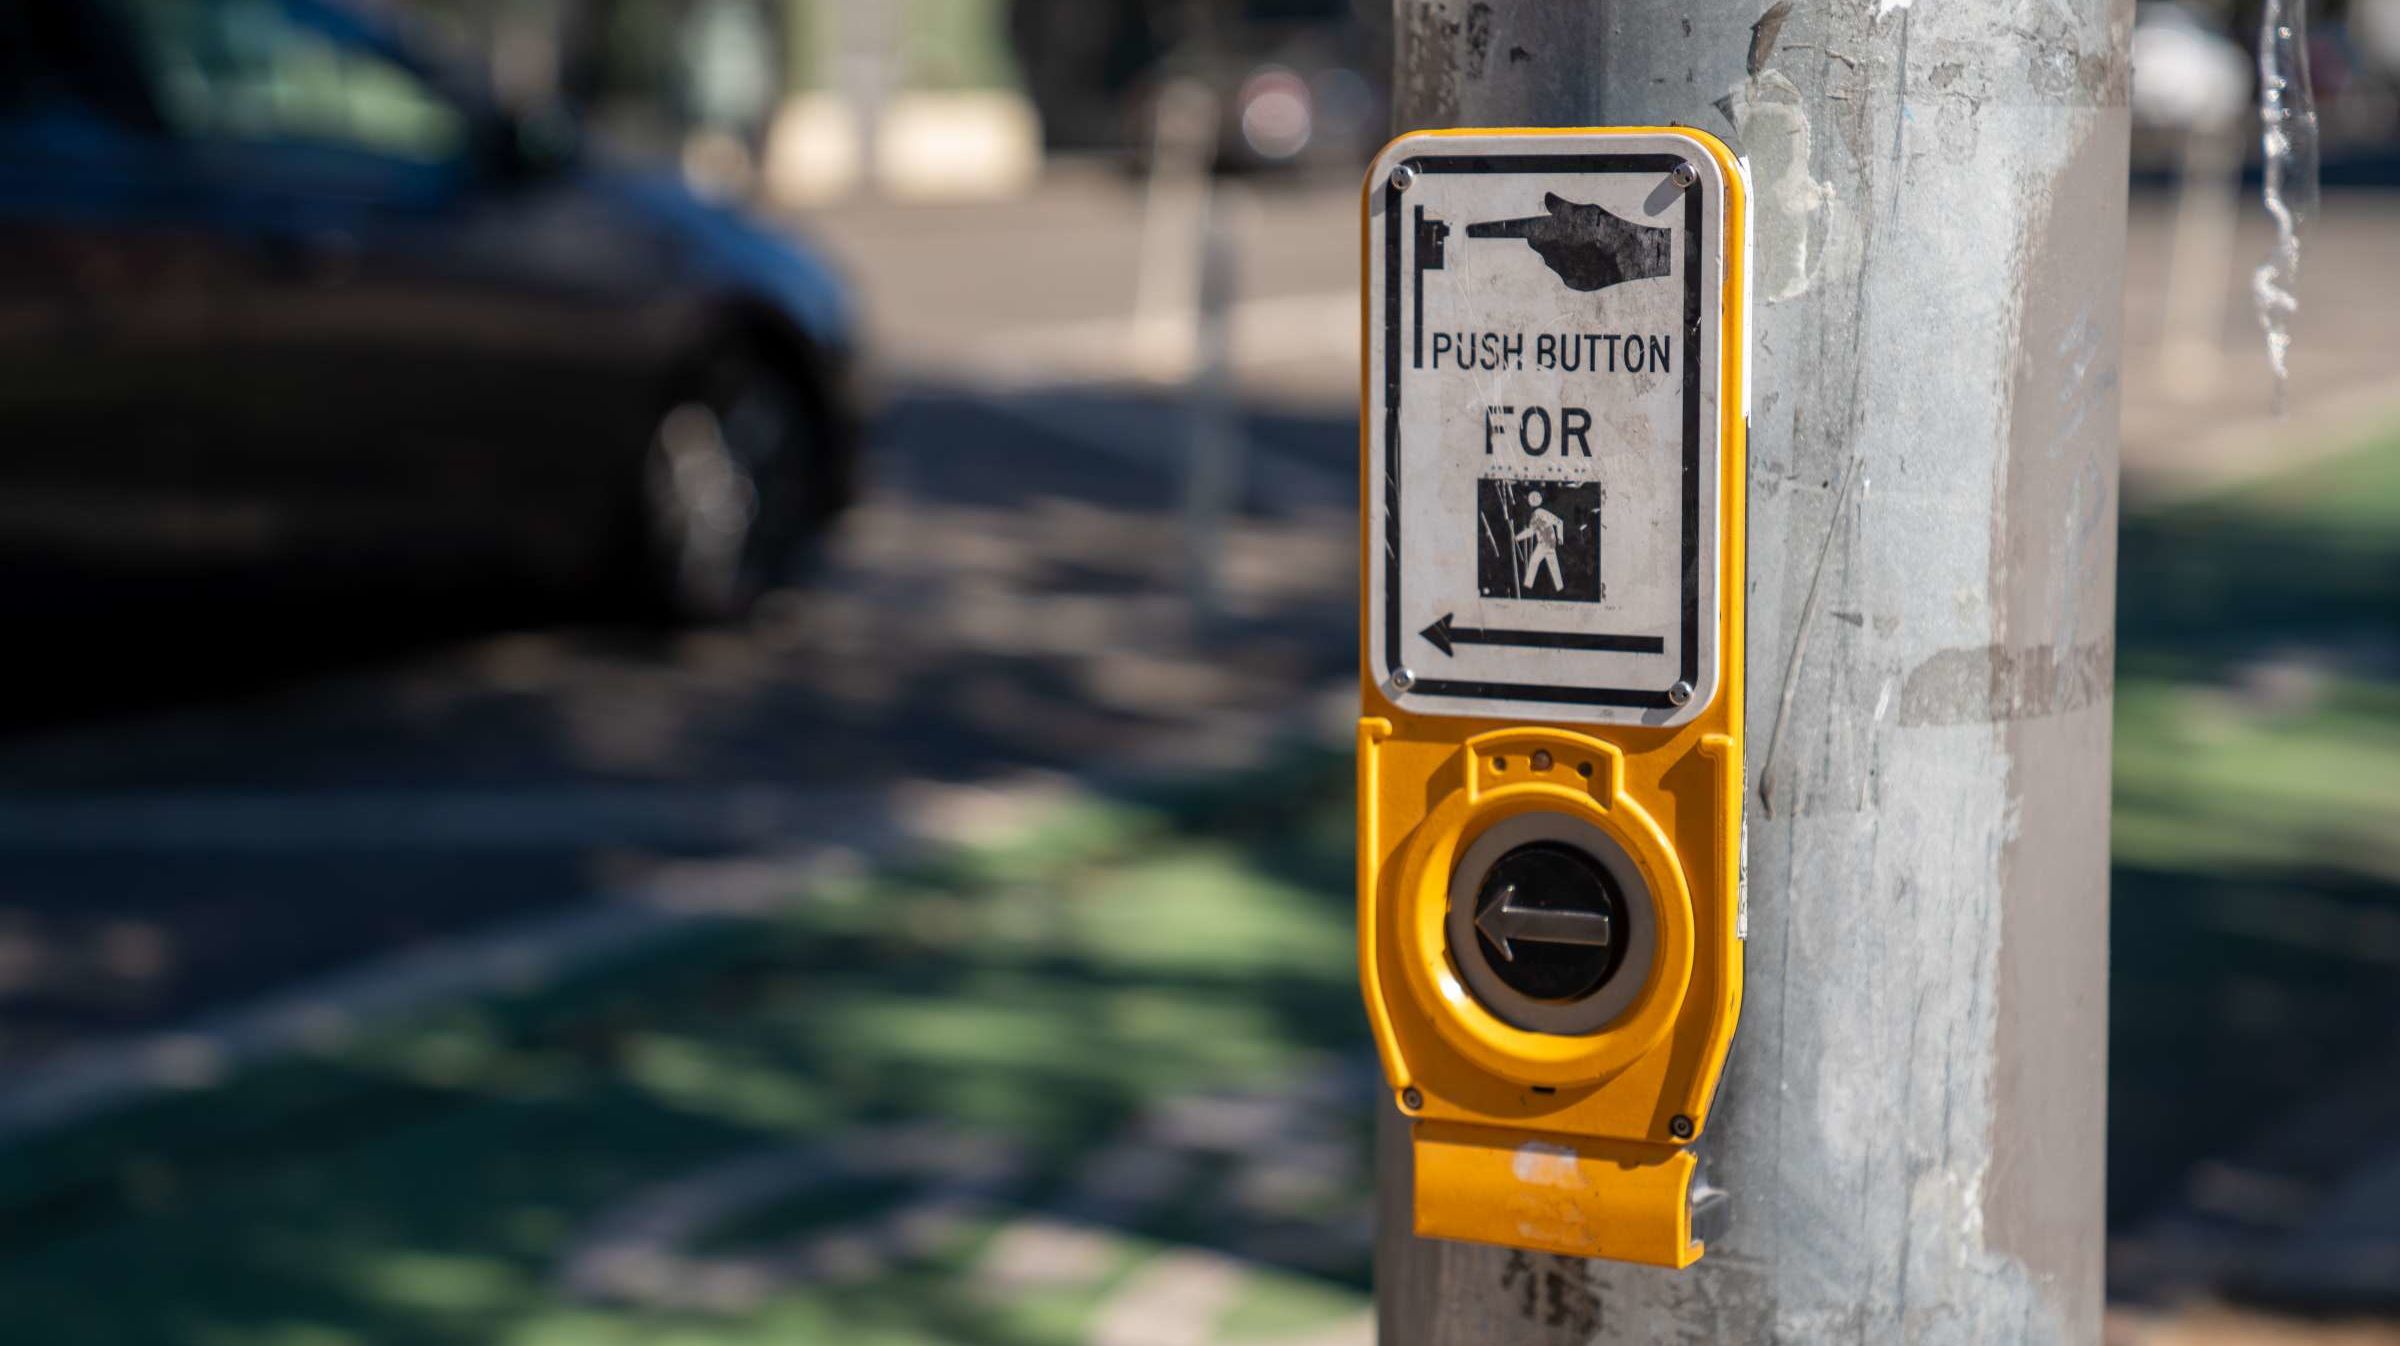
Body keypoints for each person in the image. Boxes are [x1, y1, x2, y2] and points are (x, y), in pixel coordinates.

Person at [1515, 490, 1565, 593]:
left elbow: (1559, 522)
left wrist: (1560, 538)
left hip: (1547, 542)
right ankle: (1559, 588)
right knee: (1550, 564)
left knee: (1534, 561)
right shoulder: (1534, 515)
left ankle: (1528, 586)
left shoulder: (1540, 512)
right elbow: (1531, 531)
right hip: (1546, 543)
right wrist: (1518, 538)